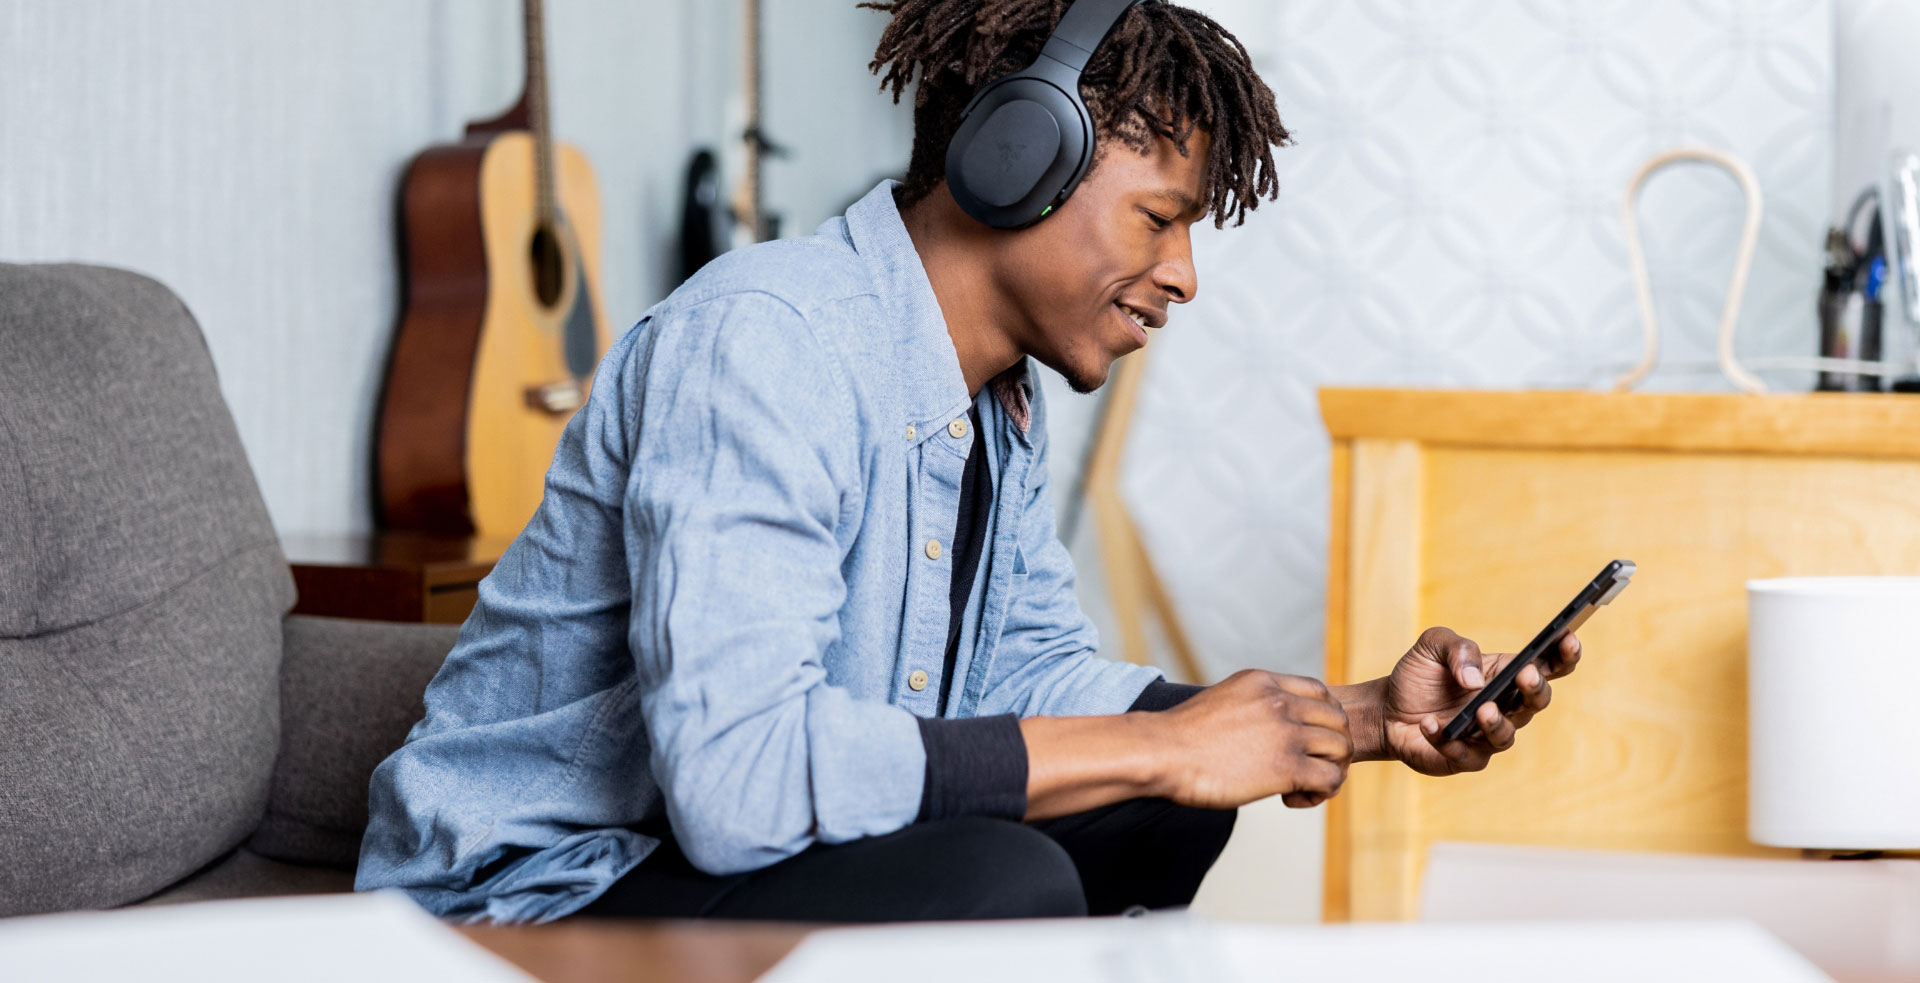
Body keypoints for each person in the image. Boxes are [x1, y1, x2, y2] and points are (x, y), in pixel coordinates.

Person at [356, 0, 1582, 924]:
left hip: (683, 855)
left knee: (1158, 814)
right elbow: (738, 778)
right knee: (1010, 871)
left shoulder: (991, 397)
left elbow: (1022, 666)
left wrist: (1352, 716)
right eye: (1160, 219)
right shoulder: (767, 344)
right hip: (525, 897)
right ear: (1017, 159)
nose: (1185, 277)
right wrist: (1166, 741)